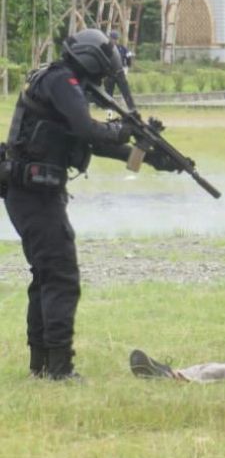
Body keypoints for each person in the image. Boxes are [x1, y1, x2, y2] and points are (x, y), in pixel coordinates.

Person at [3, 29, 181, 380]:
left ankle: (42, 365)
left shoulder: (61, 83)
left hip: (32, 193)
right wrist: (125, 130)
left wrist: (151, 158)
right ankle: (59, 369)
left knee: (47, 276)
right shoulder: (61, 81)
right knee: (61, 277)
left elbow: (99, 144)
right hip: (32, 193)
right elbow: (89, 131)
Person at [102, 31, 133, 99]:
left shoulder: (122, 48)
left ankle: (126, 104)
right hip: (109, 72)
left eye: (115, 39)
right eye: (112, 38)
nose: (114, 40)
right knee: (109, 88)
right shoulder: (106, 48)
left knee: (124, 88)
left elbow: (129, 57)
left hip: (120, 71)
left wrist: (127, 66)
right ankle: (108, 107)